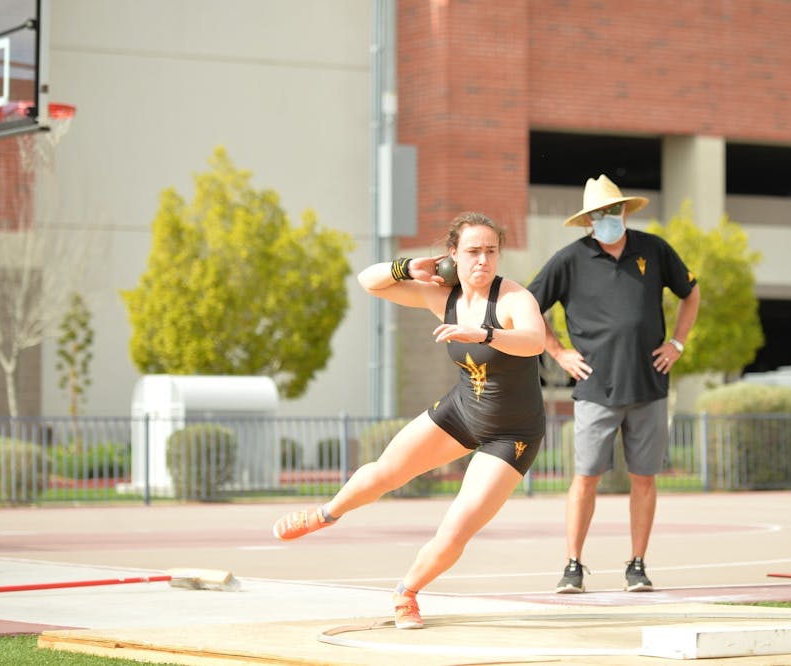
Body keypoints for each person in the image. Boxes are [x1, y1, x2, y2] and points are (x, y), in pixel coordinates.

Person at [272, 211, 547, 629]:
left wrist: (485, 334)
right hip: (462, 410)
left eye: (491, 252)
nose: (483, 261)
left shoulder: (511, 299)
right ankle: (325, 514)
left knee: (457, 527)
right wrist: (404, 267)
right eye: (472, 252)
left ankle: (407, 593)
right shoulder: (443, 296)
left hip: (512, 432)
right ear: (453, 254)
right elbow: (369, 281)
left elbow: (534, 341)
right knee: (386, 471)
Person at [527, 174, 700, 594]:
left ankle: (637, 565)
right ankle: (573, 565)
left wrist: (677, 342)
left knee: (644, 477)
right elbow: (531, 305)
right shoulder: (569, 259)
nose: (609, 218)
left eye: (615, 210)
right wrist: (559, 352)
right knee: (585, 477)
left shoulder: (654, 250)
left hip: (650, 385)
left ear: (625, 211)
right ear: (589, 220)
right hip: (594, 389)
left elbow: (690, 293)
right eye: (601, 213)